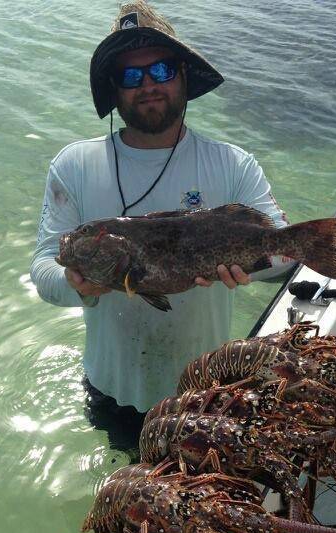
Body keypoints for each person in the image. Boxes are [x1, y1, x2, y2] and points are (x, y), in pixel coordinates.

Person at [31, 0, 290, 452]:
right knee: (128, 503)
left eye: (162, 70)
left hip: (205, 392)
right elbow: (43, 269)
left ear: (184, 77)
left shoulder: (232, 164)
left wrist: (250, 268)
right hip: (114, 388)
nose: (147, 85)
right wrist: (79, 286)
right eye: (131, 76)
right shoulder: (74, 165)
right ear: (114, 90)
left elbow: (287, 255)